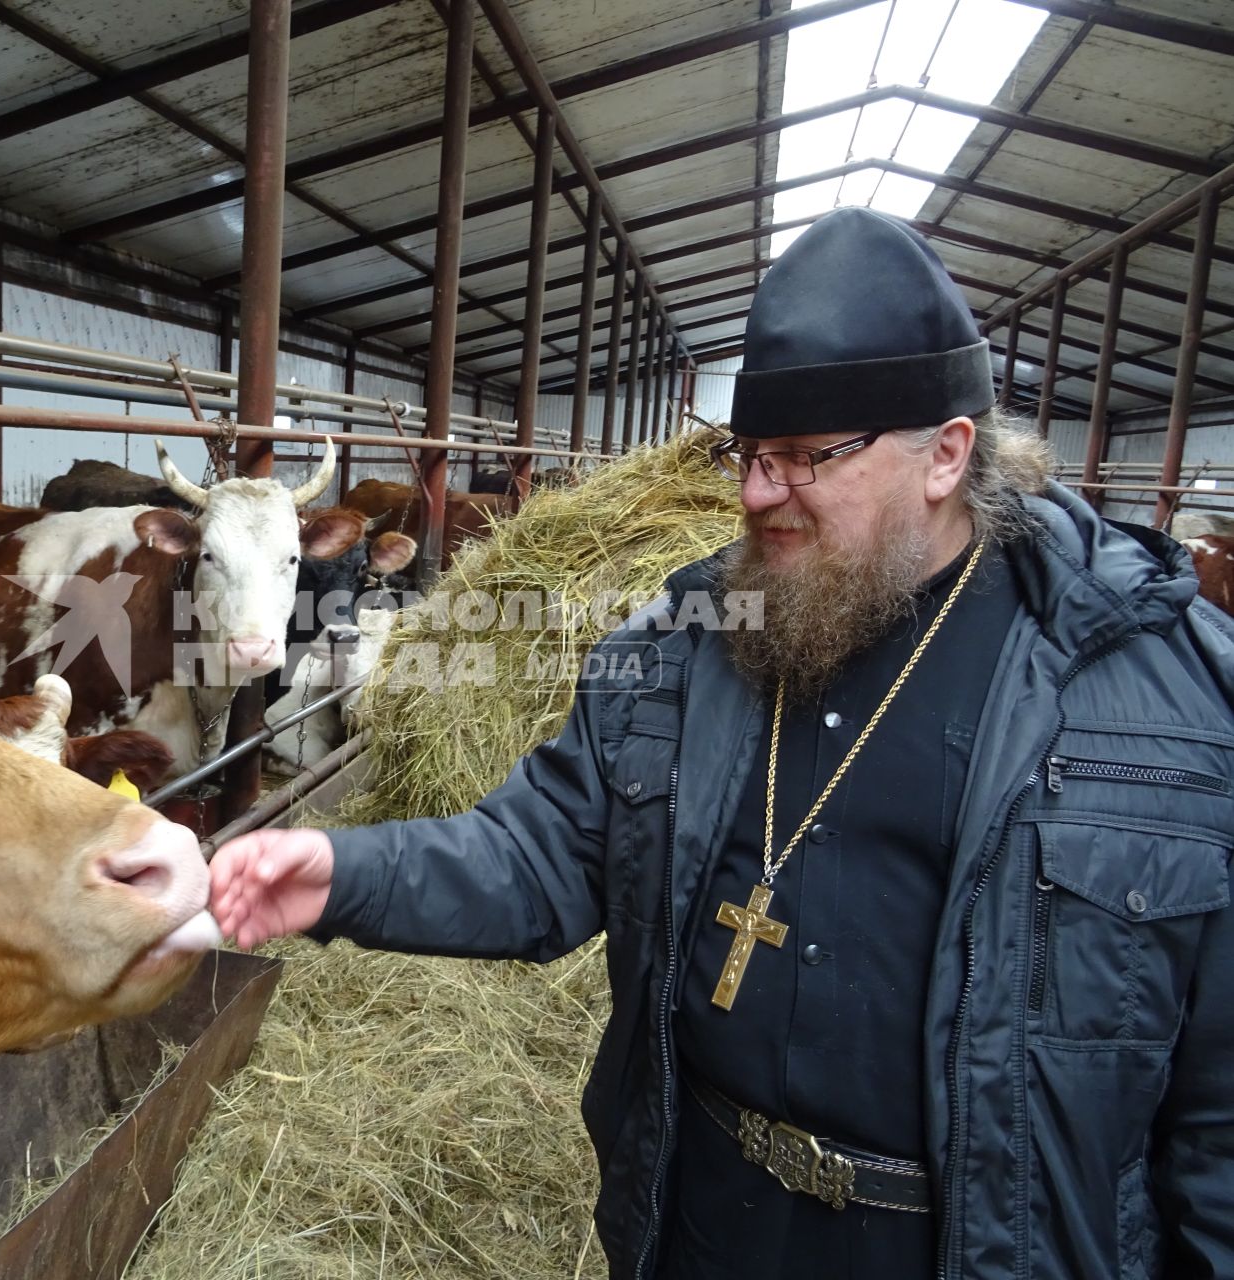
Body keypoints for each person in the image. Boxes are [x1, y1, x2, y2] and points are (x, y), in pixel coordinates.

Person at [209, 207, 1234, 1279]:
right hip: (701, 1223)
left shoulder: (1157, 699)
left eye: (801, 458)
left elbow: (1220, 1114)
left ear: (946, 454)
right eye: (748, 455)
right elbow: (535, 857)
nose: (753, 495)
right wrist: (335, 870)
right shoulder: (679, 653)